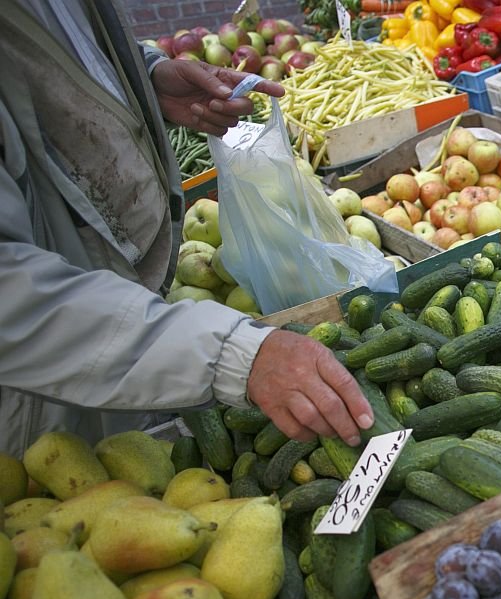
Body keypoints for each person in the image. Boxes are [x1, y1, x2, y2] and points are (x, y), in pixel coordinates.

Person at [0, 0, 373, 456]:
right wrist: (232, 356)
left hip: (134, 333)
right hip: (39, 397)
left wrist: (145, 79)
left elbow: (59, 51)